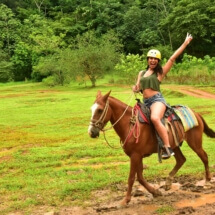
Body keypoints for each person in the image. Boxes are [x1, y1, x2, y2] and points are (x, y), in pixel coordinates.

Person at [132, 33, 193, 159]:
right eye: (150, 58)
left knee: (155, 118)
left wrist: (185, 43)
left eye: (155, 59)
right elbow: (138, 87)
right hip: (145, 102)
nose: (152, 60)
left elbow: (172, 58)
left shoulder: (160, 73)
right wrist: (135, 88)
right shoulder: (141, 73)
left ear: (158, 61)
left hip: (157, 101)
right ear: (147, 59)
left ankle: (167, 147)